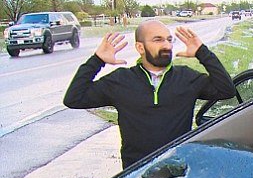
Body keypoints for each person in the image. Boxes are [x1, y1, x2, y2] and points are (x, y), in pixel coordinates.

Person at [64, 20, 236, 169]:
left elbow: (226, 90)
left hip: (179, 171)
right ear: (140, 47)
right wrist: (97, 60)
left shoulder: (187, 77)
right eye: (158, 40)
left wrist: (202, 52)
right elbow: (74, 98)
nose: (167, 45)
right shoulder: (120, 80)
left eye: (169, 40)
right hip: (135, 175)